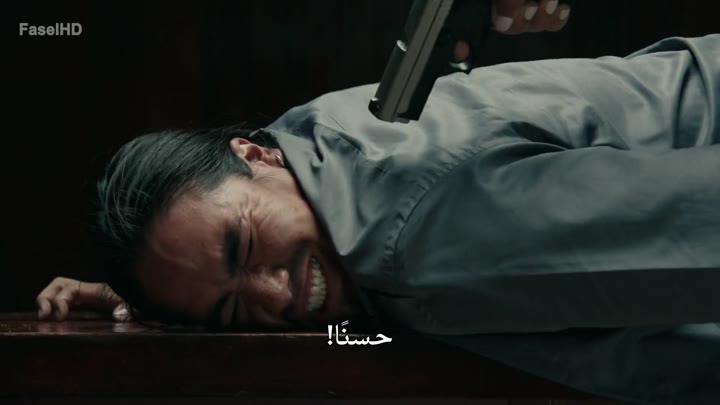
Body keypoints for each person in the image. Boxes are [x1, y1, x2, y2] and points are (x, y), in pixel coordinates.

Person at [36, 5, 720, 405]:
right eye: (231, 308)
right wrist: (164, 298)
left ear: (254, 156)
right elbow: (368, 331)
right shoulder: (313, 143)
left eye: (241, 247)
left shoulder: (418, 245)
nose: (275, 296)